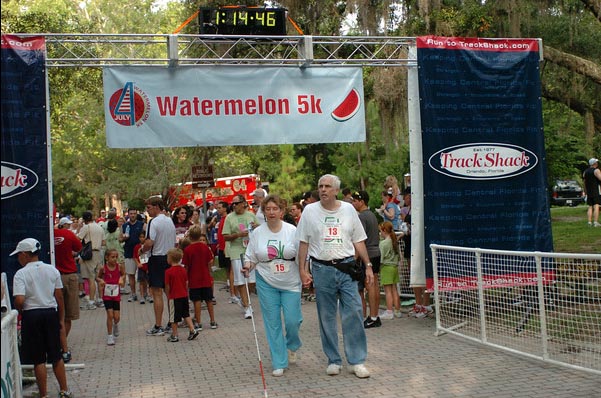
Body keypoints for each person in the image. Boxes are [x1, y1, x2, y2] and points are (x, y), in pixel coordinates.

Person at [296, 174, 374, 379]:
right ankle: (333, 360)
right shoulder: (309, 211)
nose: (323, 189)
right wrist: (302, 270)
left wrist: (367, 265)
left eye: (328, 186)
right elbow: (303, 242)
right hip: (322, 270)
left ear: (336, 190)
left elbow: (358, 240)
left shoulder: (348, 210)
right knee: (326, 316)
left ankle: (357, 361)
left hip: (347, 267)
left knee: (354, 312)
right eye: (320, 186)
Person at [243, 195, 303, 377]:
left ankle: (292, 345)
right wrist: (247, 266)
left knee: (293, 320)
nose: (271, 212)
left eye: (275, 209)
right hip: (266, 281)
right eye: (268, 209)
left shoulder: (292, 231)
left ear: (282, 211)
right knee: (273, 323)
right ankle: (279, 361)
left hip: (290, 281)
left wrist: (306, 272)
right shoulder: (258, 233)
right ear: (263, 212)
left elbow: (302, 255)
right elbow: (251, 256)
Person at [11, 238, 73, 398]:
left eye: (19, 255)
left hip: (32, 315)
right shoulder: (52, 270)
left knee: (38, 359)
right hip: (50, 312)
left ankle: (43, 394)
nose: (18, 258)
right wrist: (60, 318)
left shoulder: (21, 274)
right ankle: (64, 390)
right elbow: (59, 296)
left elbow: (19, 300)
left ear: (25, 255)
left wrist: (20, 310)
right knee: (56, 355)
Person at [143, 196, 177, 336]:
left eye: (149, 208)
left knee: (157, 293)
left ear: (156, 206)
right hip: (169, 257)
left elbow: (150, 242)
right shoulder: (169, 220)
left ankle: (158, 325)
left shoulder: (154, 222)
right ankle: (172, 321)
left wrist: (142, 249)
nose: (147, 211)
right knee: (169, 292)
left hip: (157, 258)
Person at [223, 194, 259, 319]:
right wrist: (238, 235)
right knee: (240, 280)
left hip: (250, 250)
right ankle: (247, 306)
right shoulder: (229, 218)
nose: (234, 206)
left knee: (252, 280)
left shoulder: (251, 215)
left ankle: (246, 299)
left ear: (243, 203)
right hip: (236, 251)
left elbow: (260, 229)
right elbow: (225, 236)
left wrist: (256, 227)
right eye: (232, 204)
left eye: (236, 203)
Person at [53, 217, 83, 363]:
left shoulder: (50, 234)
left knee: (57, 313)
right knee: (68, 316)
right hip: (69, 276)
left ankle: (58, 344)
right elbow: (78, 248)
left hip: (54, 277)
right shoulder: (69, 235)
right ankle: (62, 345)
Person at [351, 191, 382, 328]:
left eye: (355, 201)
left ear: (362, 201)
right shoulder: (372, 215)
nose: (353, 203)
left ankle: (373, 317)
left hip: (368, 254)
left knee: (370, 285)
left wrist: (355, 258)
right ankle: (374, 315)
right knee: (374, 285)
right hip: (376, 252)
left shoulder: (362, 217)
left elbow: (359, 240)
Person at [183, 225, 217, 331]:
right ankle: (212, 321)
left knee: (196, 301)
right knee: (209, 300)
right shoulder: (205, 247)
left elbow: (186, 266)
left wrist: (186, 279)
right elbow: (210, 261)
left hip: (194, 278)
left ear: (190, 236)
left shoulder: (188, 250)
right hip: (205, 277)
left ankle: (198, 322)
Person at [164, 248, 200, 342]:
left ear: (170, 259)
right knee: (186, 314)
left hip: (174, 296)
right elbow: (186, 282)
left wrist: (168, 295)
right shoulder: (183, 270)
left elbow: (167, 286)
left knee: (173, 317)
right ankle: (192, 329)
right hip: (184, 295)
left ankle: (174, 335)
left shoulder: (168, 272)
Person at [96, 249, 125, 345]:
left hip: (116, 294)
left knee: (116, 317)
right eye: (112, 257)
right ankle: (110, 336)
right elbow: (97, 277)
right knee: (110, 315)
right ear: (107, 258)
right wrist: (101, 281)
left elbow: (123, 274)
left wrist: (121, 279)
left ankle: (115, 324)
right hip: (107, 294)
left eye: (116, 257)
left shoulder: (119, 267)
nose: (115, 259)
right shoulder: (103, 268)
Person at [77, 210, 105, 310]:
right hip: (98, 252)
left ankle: (91, 301)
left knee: (91, 278)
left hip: (89, 254)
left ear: (84, 219)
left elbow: (78, 239)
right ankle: (100, 299)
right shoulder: (99, 227)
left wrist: (79, 227)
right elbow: (103, 242)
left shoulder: (86, 227)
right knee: (99, 277)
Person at [378, 221, 402, 319]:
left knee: (387, 291)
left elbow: (381, 258)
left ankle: (389, 311)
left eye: (380, 231)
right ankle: (397, 310)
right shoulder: (394, 241)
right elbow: (399, 256)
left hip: (386, 267)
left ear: (384, 230)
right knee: (395, 289)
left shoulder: (383, 244)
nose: (380, 233)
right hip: (394, 267)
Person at [121, 208, 145, 302]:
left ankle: (144, 294)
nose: (133, 215)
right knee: (131, 275)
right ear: (128, 214)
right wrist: (124, 238)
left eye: (134, 213)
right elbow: (120, 238)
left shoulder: (141, 224)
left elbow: (145, 237)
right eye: (131, 214)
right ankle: (133, 293)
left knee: (143, 276)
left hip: (140, 254)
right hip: (129, 253)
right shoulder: (124, 226)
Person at [133, 231, 151, 304]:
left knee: (149, 282)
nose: (142, 238)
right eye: (140, 237)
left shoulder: (149, 247)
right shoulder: (137, 246)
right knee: (141, 281)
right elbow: (134, 256)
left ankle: (149, 295)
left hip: (148, 266)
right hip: (141, 266)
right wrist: (138, 263)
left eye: (143, 237)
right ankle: (142, 296)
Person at [583, 157, 601, 227]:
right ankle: (595, 222)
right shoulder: (596, 171)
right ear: (594, 163)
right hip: (595, 190)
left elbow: (584, 182)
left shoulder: (585, 172)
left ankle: (589, 222)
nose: (597, 163)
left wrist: (585, 191)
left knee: (590, 206)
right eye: (596, 162)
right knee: (596, 206)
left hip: (589, 191)